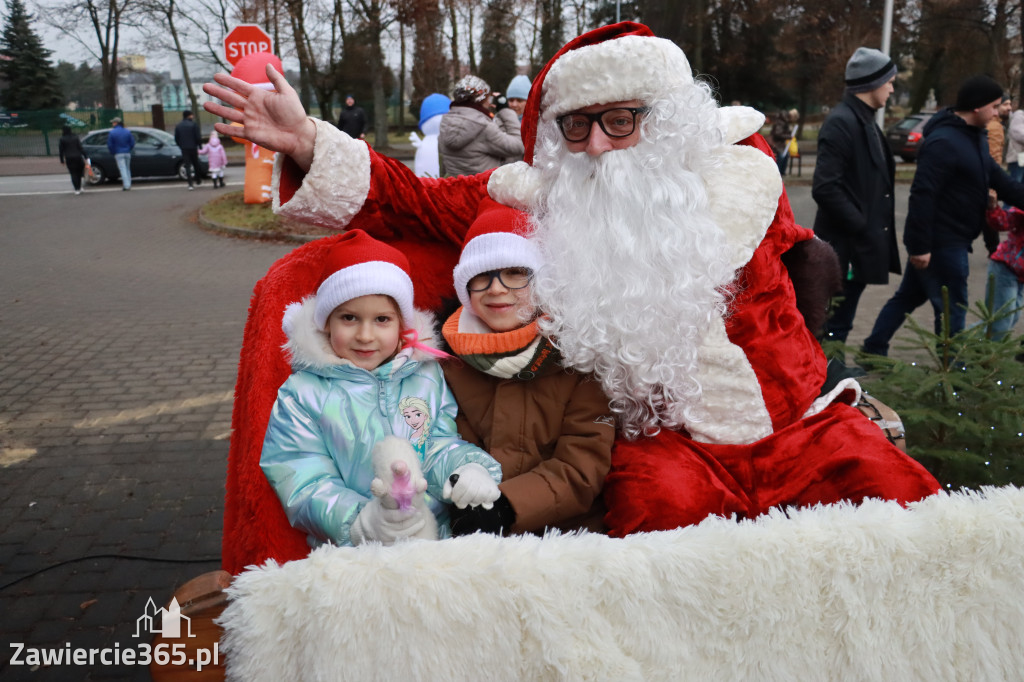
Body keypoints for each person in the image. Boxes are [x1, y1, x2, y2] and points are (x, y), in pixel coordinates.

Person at [205, 21, 939, 544]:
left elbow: (806, 261)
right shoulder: (546, 191)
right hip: (661, 440)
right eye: (577, 128)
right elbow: (415, 199)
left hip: (796, 427)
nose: (597, 148)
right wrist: (309, 141)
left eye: (620, 122)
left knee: (905, 508)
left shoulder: (739, 179)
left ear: (668, 120)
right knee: (657, 531)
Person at [259, 229, 502, 547]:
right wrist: (361, 520)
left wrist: (467, 469)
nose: (365, 335)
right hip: (354, 552)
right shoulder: (302, 394)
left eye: (382, 320)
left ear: (402, 324)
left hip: (432, 542)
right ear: (326, 322)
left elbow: (439, 444)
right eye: (349, 318)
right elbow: (301, 475)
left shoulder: (425, 375)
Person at [440, 198, 615, 537]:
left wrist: (507, 506)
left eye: (515, 274)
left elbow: (582, 467)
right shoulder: (449, 363)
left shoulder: (578, 358)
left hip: (564, 535)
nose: (496, 289)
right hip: (469, 528)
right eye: (482, 277)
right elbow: (442, 442)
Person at [862, 74, 1024, 356]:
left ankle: (873, 349)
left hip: (953, 240)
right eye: (995, 106)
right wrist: (920, 246)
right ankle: (950, 371)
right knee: (953, 309)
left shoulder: (975, 138)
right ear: (978, 106)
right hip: (942, 243)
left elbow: (1001, 181)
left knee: (907, 298)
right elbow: (923, 196)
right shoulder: (944, 142)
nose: (998, 113)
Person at [812, 47, 900, 348]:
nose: (892, 87)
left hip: (858, 246)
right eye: (889, 81)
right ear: (872, 82)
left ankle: (836, 373)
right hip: (845, 249)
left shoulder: (864, 120)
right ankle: (828, 377)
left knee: (842, 321)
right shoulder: (843, 122)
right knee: (834, 323)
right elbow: (825, 187)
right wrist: (861, 224)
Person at [438, 75, 524, 176]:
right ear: (481, 99)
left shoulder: (446, 123)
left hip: (458, 188)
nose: (489, 103)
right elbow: (518, 146)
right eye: (488, 98)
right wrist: (505, 110)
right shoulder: (483, 127)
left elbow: (444, 165)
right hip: (483, 188)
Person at [981, 201, 1024, 340]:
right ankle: (960, 346)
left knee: (1011, 318)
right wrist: (993, 207)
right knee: (1001, 322)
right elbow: (1003, 222)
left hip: (1021, 276)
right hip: (1005, 267)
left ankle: (964, 345)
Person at [175, 110, 203, 190]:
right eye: (192, 115)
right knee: (195, 164)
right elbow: (197, 137)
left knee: (187, 165)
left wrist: (181, 145)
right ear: (189, 116)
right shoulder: (193, 125)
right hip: (193, 147)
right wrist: (200, 146)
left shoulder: (179, 126)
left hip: (184, 148)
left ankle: (190, 184)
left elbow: (177, 138)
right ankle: (198, 180)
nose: (193, 116)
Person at [106, 117, 134, 191]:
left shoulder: (112, 132)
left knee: (122, 169)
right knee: (127, 169)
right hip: (127, 152)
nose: (112, 124)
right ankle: (129, 184)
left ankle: (126, 185)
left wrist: (113, 152)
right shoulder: (127, 131)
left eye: (113, 122)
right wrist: (128, 149)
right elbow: (132, 143)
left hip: (118, 153)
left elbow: (110, 145)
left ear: (116, 123)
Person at [58, 124, 86, 195]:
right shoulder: (75, 137)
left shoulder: (62, 139)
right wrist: (86, 156)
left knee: (73, 173)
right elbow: (80, 148)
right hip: (78, 157)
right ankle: (80, 187)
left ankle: (76, 189)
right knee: (79, 173)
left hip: (69, 158)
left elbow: (61, 151)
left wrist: (61, 160)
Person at [769, 109, 794, 175]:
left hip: (779, 143)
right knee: (782, 155)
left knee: (785, 155)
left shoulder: (782, 122)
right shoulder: (780, 123)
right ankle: (779, 172)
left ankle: (781, 172)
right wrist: (788, 136)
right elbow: (778, 134)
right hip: (776, 144)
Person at [1007, 99, 1024, 183]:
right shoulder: (1019, 115)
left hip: (1021, 158)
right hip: (1018, 158)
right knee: (1016, 183)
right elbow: (1018, 134)